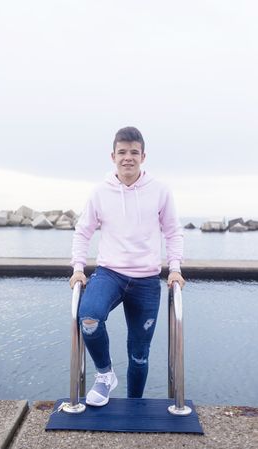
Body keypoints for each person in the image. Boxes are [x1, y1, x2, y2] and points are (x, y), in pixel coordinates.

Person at [69, 126, 184, 407]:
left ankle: (134, 404)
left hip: (146, 280)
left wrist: (175, 268)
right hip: (110, 273)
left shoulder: (160, 190)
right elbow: (83, 232)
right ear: (113, 156)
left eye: (134, 152)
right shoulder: (100, 192)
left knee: (139, 354)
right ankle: (105, 375)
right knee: (89, 318)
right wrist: (78, 268)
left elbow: (173, 231)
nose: (128, 157)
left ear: (143, 156)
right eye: (122, 152)